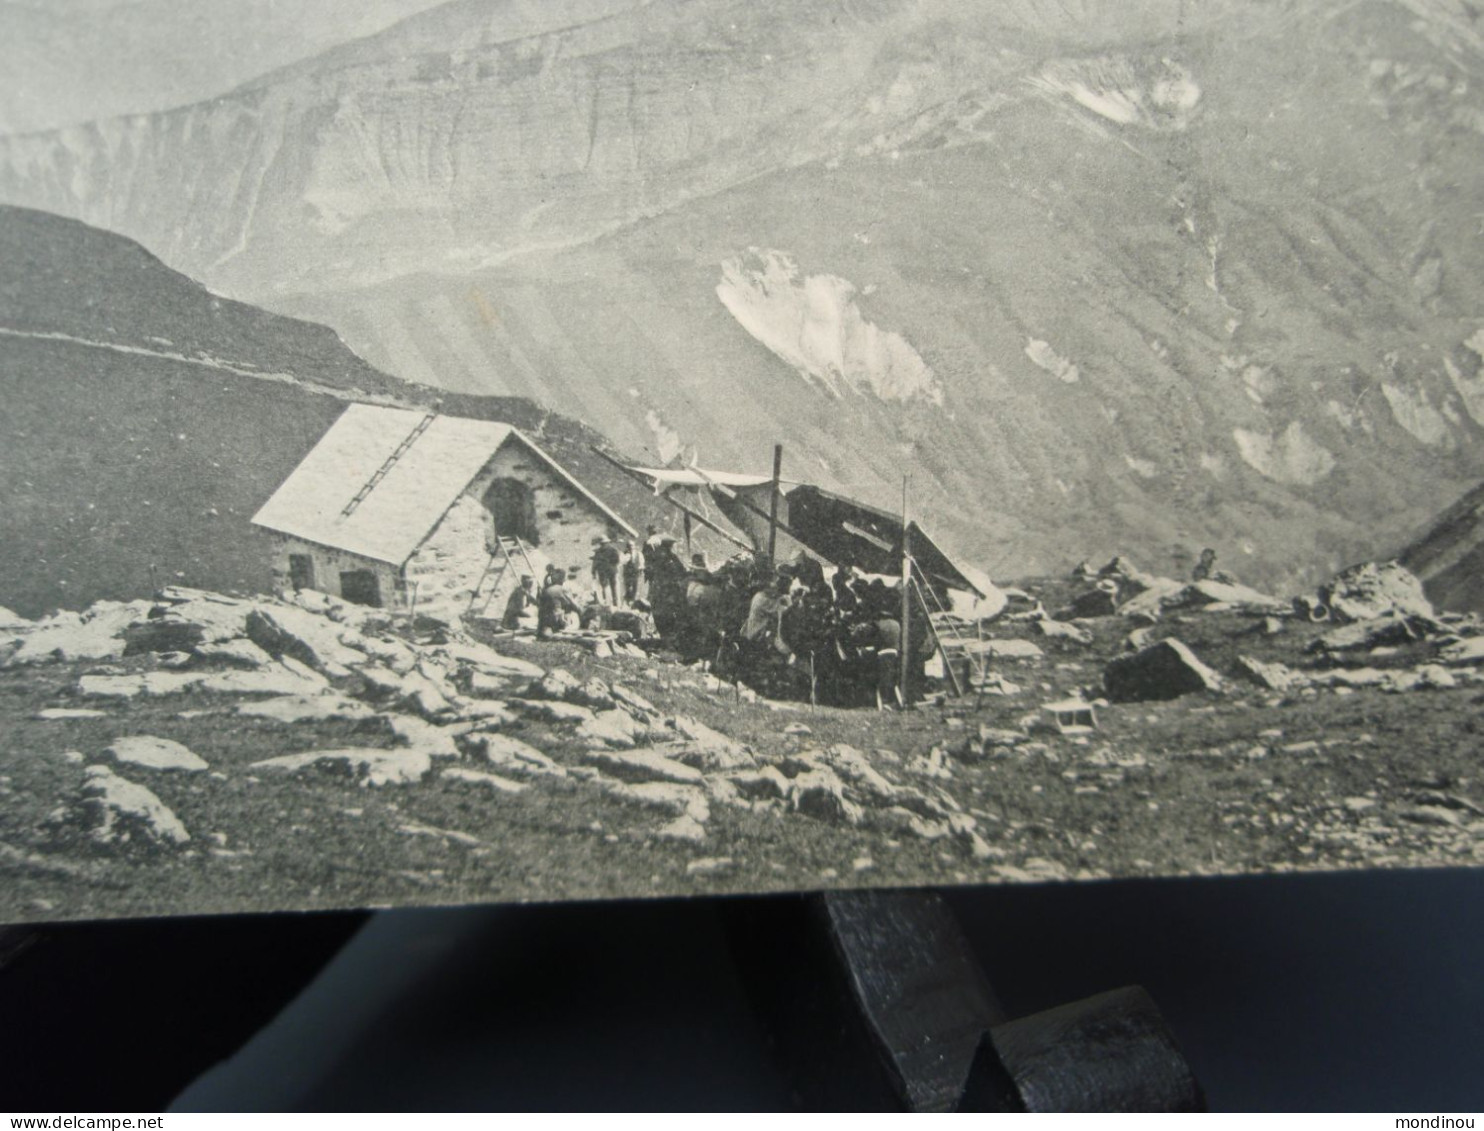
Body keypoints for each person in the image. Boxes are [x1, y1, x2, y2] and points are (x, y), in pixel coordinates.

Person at [537, 568, 583, 638]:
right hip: (556, 620)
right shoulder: (562, 589)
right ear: (563, 579)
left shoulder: (545, 590)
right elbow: (573, 605)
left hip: (544, 621)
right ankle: (568, 629)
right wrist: (581, 611)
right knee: (573, 613)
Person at [591, 537, 622, 605]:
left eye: (604, 544)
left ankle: (612, 602)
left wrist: (593, 571)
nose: (603, 545)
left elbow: (617, 560)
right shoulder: (600, 551)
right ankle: (609, 602)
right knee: (607, 587)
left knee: (610, 587)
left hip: (608, 571)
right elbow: (595, 562)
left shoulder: (610, 550)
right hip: (606, 571)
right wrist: (593, 571)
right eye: (602, 544)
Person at [622, 539, 644, 605]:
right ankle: (628, 601)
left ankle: (633, 601)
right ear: (627, 547)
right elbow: (623, 562)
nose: (631, 547)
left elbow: (641, 562)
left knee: (635, 587)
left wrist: (641, 569)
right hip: (627, 573)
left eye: (632, 545)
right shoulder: (625, 554)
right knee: (628, 588)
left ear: (634, 546)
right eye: (629, 546)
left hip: (635, 573)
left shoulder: (638, 553)